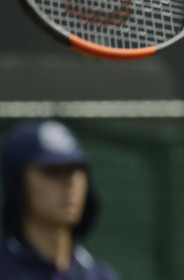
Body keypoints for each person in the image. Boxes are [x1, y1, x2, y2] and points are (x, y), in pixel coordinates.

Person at [0, 120, 119, 280]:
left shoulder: (99, 275)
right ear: (18, 182)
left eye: (75, 169)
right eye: (53, 171)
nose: (70, 182)